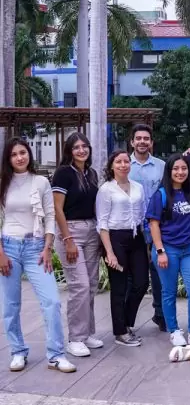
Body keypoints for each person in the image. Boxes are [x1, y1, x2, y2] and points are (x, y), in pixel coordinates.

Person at [0, 138, 76, 373]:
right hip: (8, 247)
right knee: (10, 305)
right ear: (8, 158)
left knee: (51, 301)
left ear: (29, 154)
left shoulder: (41, 181)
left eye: (23, 152)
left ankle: (56, 354)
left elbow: (50, 215)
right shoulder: (3, 183)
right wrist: (0, 253)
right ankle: (17, 351)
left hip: (36, 247)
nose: (19, 158)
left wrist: (48, 246)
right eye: (14, 154)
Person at [51, 132, 103, 358]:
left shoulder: (91, 174)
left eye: (84, 146)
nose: (81, 150)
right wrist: (67, 239)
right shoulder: (63, 173)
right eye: (76, 147)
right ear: (69, 151)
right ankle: (75, 338)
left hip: (91, 230)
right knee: (79, 285)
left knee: (90, 285)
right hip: (71, 232)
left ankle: (87, 333)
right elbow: (57, 208)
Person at [146, 153, 190, 347]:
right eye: (176, 169)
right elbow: (153, 224)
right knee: (169, 292)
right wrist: (160, 251)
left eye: (184, 168)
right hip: (167, 250)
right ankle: (174, 330)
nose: (180, 172)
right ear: (169, 171)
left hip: (189, 249)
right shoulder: (161, 195)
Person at [95, 150, 148, 347]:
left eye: (126, 161)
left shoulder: (138, 187)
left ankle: (126, 322)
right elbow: (102, 222)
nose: (123, 165)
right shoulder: (106, 189)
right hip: (115, 239)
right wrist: (109, 252)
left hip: (136, 237)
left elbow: (143, 214)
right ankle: (120, 332)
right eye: (118, 162)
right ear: (112, 166)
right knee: (119, 287)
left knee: (141, 282)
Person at [128, 124, 166, 332]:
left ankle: (160, 314)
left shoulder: (161, 166)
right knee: (134, 277)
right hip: (131, 227)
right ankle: (126, 321)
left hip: (157, 226)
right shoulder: (124, 164)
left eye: (146, 138)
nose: (142, 142)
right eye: (138, 138)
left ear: (151, 142)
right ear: (132, 142)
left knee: (159, 273)